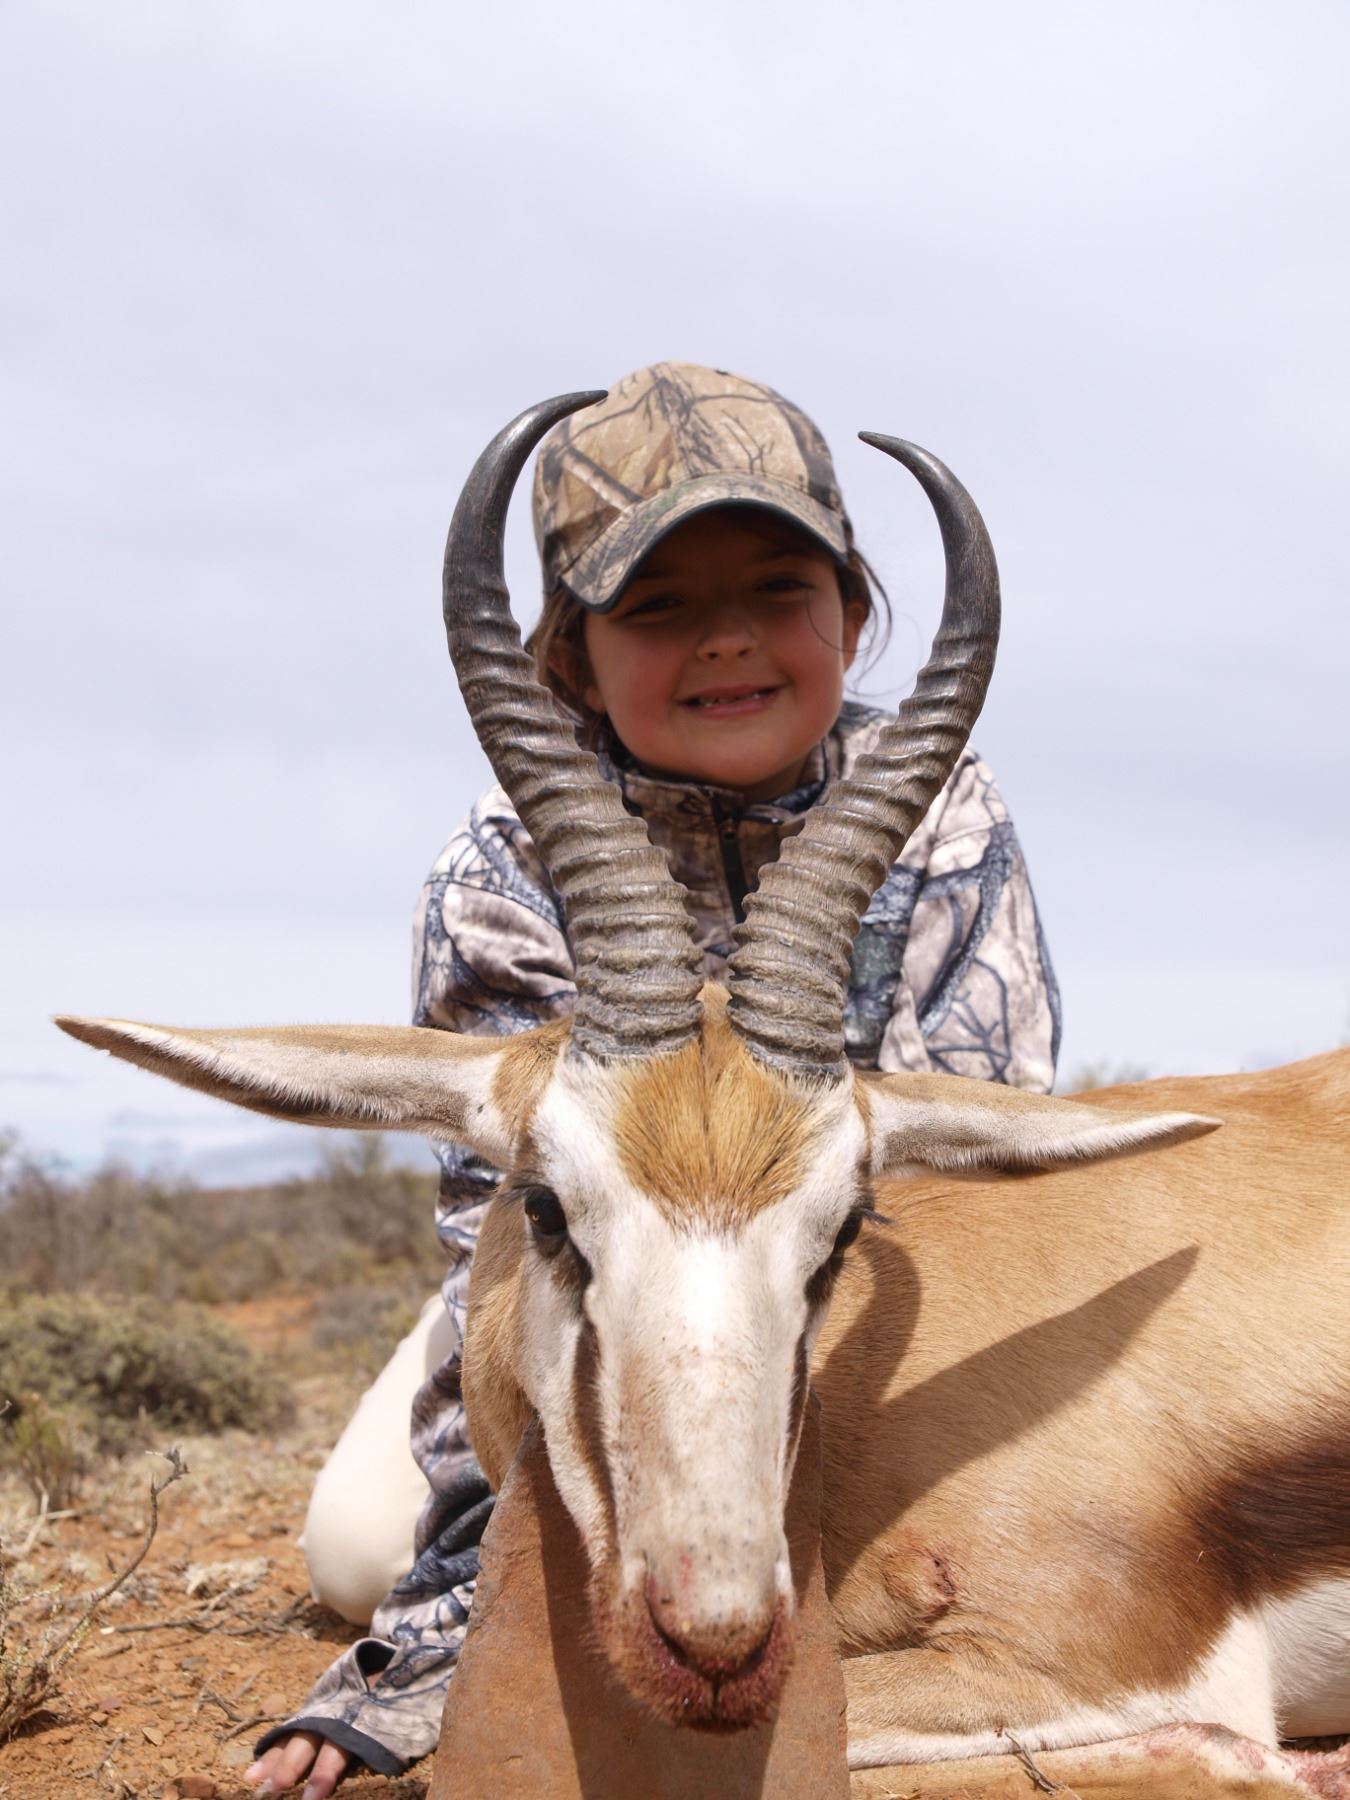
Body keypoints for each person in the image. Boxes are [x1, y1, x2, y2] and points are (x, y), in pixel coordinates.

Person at [245, 362, 1062, 1797]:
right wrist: (449, 1616)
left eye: (778, 590)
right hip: (583, 1295)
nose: (726, 640)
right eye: (658, 605)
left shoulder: (939, 810)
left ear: (851, 614)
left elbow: (974, 1180)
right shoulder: (502, 868)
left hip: (855, 1286)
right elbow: (503, 1256)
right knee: (360, 1549)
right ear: (568, 661)